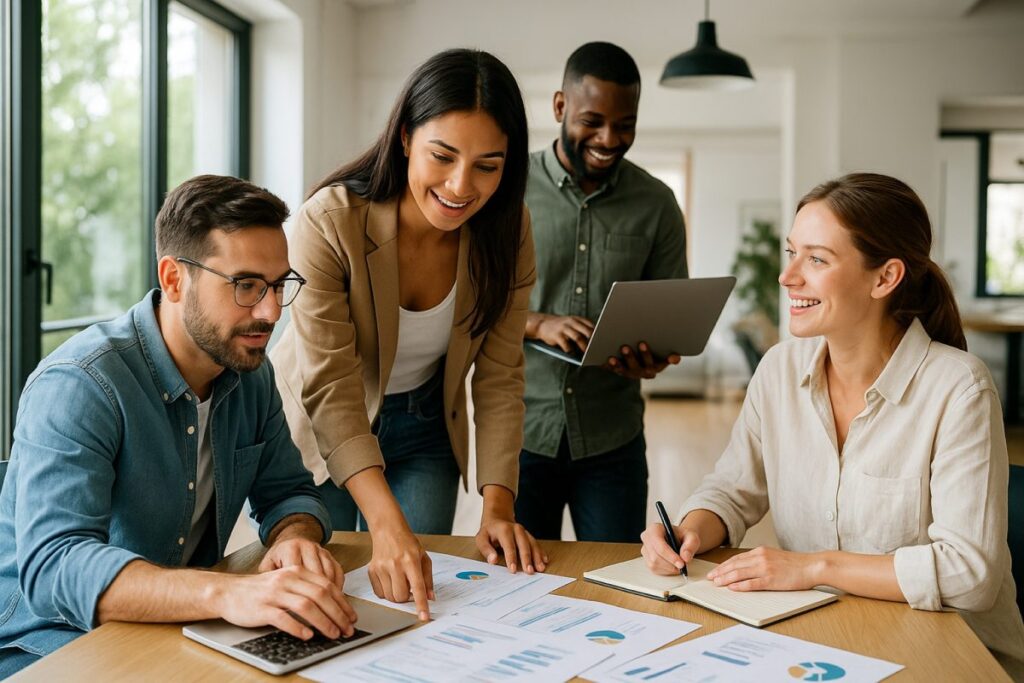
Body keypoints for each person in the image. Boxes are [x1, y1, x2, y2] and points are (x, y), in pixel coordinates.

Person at [640, 173, 1024, 676]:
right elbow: (732, 491)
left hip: (948, 653)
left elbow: (969, 573)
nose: (788, 276)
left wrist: (813, 566)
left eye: (817, 259)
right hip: (825, 640)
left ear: (885, 278)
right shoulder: (779, 369)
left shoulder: (959, 389)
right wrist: (688, 530)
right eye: (791, 252)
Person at [0, 175, 357, 678]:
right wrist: (227, 592)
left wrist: (291, 538)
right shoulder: (80, 385)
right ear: (173, 279)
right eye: (246, 285)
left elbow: (290, 492)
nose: (271, 311)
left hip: (173, 628)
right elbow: (54, 566)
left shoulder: (249, 371)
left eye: (279, 286)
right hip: (48, 646)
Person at [270, 48, 544, 623]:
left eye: (488, 165)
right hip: (321, 428)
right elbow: (331, 385)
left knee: (414, 597)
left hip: (425, 426)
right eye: (442, 156)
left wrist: (498, 506)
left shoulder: (508, 231)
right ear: (403, 138)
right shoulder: (329, 220)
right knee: (319, 597)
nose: (460, 186)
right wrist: (385, 525)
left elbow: (499, 377)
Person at [516, 42, 688, 543]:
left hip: (613, 440)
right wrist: (537, 322)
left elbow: (669, 318)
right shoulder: (507, 191)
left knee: (616, 585)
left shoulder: (657, 205)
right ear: (559, 107)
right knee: (518, 588)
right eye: (593, 120)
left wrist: (653, 358)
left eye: (625, 124)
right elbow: (466, 302)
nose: (609, 138)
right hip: (522, 435)